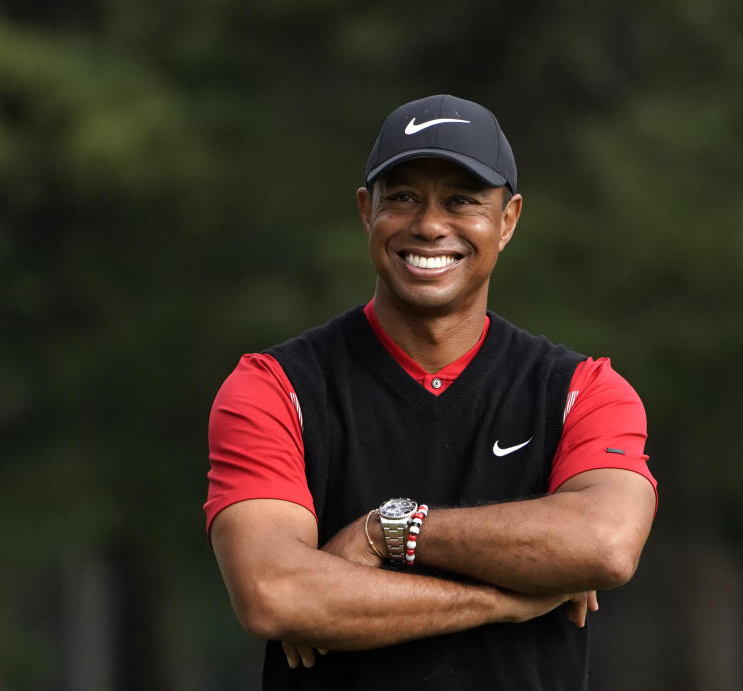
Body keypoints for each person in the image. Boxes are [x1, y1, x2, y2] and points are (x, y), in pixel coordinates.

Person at [204, 94, 657, 690]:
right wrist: (506, 600)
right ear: (367, 211)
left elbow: (604, 544)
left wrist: (390, 530)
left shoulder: (582, 390)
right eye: (404, 197)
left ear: (508, 219)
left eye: (462, 200)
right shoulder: (273, 387)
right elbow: (275, 591)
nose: (430, 225)